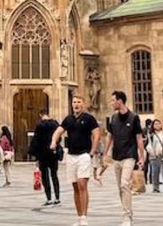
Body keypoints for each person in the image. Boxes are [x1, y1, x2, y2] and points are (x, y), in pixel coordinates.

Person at [53, 95, 101, 226]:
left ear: (83, 104)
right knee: (75, 186)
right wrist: (53, 141)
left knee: (82, 184)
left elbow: (97, 135)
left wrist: (92, 152)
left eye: (79, 102)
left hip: (84, 155)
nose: (76, 104)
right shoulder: (68, 119)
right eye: (74, 102)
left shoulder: (89, 118)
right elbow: (58, 131)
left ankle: (84, 217)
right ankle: (79, 217)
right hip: (71, 155)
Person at [104, 91, 144, 225]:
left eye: (113, 100)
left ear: (120, 101)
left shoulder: (134, 118)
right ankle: (127, 212)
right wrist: (105, 153)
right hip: (117, 156)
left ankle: (127, 216)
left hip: (129, 155)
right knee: (120, 188)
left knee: (124, 184)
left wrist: (142, 157)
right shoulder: (113, 118)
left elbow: (139, 138)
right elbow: (109, 136)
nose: (111, 103)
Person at [30, 108, 61, 207]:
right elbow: (59, 137)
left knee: (45, 177)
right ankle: (57, 198)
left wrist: (34, 154)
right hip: (53, 153)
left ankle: (49, 198)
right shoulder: (55, 124)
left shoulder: (40, 125)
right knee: (54, 175)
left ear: (40, 115)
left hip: (43, 154)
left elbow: (36, 140)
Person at [147, 118, 163, 194]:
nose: (157, 125)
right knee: (155, 172)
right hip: (154, 156)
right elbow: (148, 144)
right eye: (155, 124)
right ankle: (155, 187)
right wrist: (152, 152)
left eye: (158, 123)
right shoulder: (151, 135)